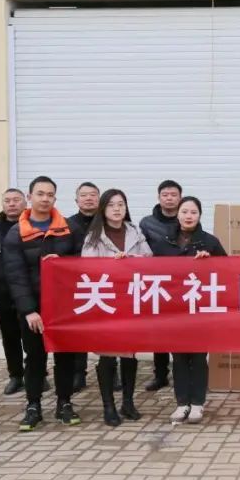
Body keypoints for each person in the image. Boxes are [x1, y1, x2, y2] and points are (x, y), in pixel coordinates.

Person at [2, 176, 84, 432]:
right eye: (40, 194)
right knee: (35, 357)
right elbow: (15, 275)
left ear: (55, 198)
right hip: (34, 309)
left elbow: (83, 262)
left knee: (66, 356)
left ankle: (64, 402)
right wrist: (28, 310)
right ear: (30, 197)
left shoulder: (69, 228)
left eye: (50, 195)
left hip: (64, 306)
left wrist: (63, 262)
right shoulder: (17, 232)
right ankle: (33, 405)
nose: (45, 199)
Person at [81, 189, 153, 426]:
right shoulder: (94, 236)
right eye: (111, 205)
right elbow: (87, 269)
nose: (117, 209)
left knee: (130, 354)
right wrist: (112, 265)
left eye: (121, 204)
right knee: (108, 355)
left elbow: (150, 260)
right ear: (103, 209)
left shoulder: (135, 231)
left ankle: (128, 402)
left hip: (131, 300)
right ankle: (108, 406)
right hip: (106, 301)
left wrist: (131, 262)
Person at [164, 196, 226, 424]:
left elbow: (227, 270)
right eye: (184, 212)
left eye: (193, 212)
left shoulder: (210, 242)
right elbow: (149, 268)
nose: (188, 216)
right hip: (173, 309)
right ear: (177, 214)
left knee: (199, 357)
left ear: (200, 215)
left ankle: (198, 403)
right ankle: (182, 404)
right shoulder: (165, 242)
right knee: (178, 357)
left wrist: (210, 261)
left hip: (200, 308)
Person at [139, 179, 183, 392]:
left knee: (180, 331)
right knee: (159, 332)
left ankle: (181, 373)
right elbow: (141, 250)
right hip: (156, 284)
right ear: (159, 197)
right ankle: (160, 375)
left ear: (180, 198)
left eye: (173, 195)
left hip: (182, 284)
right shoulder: (147, 223)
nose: (169, 198)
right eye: (165, 194)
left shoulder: (186, 218)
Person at [0, 188, 33, 396]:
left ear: (25, 202)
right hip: (3, 293)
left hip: (29, 292)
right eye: (7, 200)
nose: (12, 204)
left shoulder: (33, 226)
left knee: (32, 337)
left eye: (16, 200)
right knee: (9, 336)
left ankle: (37, 374)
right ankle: (15, 375)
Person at [67, 182, 100, 393]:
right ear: (76, 200)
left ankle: (110, 369)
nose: (88, 198)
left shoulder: (108, 221)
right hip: (77, 285)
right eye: (84, 195)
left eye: (93, 195)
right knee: (78, 331)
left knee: (107, 329)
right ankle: (79, 372)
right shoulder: (67, 224)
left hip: (105, 283)